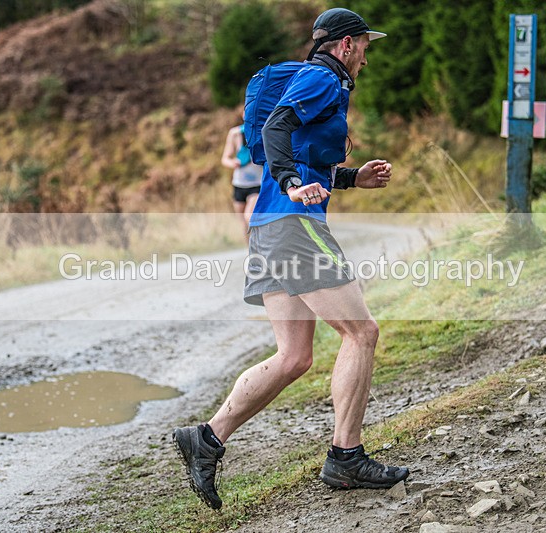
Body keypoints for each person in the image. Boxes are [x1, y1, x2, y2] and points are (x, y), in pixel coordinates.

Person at [173, 8, 409, 510]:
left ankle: (207, 438)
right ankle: (346, 457)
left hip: (267, 226)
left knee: (294, 356)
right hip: (293, 223)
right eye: (365, 45)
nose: (367, 55)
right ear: (346, 45)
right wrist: (291, 183)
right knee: (361, 332)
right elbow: (278, 129)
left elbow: (303, 151)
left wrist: (351, 178)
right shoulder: (324, 77)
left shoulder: (313, 79)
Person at [221, 116, 263, 237]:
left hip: (257, 184)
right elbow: (225, 158)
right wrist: (233, 162)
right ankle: (250, 252)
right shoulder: (235, 133)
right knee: (243, 225)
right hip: (239, 184)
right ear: (243, 114)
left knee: (248, 217)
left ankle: (259, 247)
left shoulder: (263, 131)